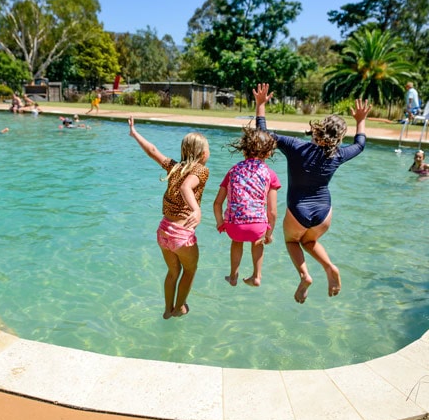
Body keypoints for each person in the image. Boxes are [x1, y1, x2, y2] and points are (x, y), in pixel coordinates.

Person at [253, 83, 371, 304]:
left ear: (318, 128)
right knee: (308, 242)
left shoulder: (296, 146)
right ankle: (329, 267)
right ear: (339, 137)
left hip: (299, 210)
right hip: (324, 213)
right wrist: (361, 120)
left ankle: (305, 276)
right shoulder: (339, 155)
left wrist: (260, 105)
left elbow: (263, 134)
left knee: (291, 241)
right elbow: (360, 144)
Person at [128, 116, 210, 319]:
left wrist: (135, 133)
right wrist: (196, 210)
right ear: (201, 153)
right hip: (181, 236)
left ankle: (167, 309)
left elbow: (152, 151)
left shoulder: (174, 167)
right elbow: (186, 187)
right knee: (190, 271)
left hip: (164, 231)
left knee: (173, 272)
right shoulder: (201, 169)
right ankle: (179, 307)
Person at [213, 126, 281, 288]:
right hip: (257, 226)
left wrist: (220, 222)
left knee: (237, 241)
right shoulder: (269, 174)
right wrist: (269, 233)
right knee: (258, 242)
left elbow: (217, 203)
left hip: (233, 226)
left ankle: (233, 276)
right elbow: (272, 212)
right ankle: (256, 276)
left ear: (244, 151)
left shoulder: (233, 170)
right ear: (268, 153)